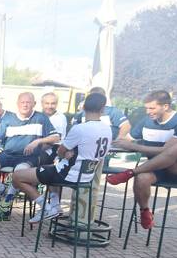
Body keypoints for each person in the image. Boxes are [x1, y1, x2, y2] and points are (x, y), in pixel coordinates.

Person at [12, 93, 112, 223]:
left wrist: (65, 153)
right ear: (102, 109)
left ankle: (46, 208)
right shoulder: (107, 129)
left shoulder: (80, 129)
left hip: (68, 174)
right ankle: (55, 206)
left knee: (17, 176)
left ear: (84, 107)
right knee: (50, 169)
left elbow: (60, 152)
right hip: (87, 175)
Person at [107, 91, 177, 229]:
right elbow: (128, 139)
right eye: (146, 108)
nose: (148, 112)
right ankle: (145, 211)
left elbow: (166, 151)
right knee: (141, 179)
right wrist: (113, 139)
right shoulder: (147, 121)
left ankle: (130, 173)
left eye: (152, 108)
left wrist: (133, 146)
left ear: (165, 106)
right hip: (155, 168)